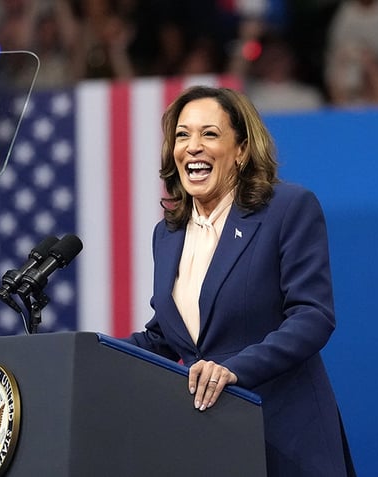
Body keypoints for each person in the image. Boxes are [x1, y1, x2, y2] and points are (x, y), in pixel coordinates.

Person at [125, 86, 355, 477]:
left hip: (286, 437)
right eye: (182, 135)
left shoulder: (287, 209)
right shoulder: (167, 234)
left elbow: (313, 316)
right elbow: (166, 336)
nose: (193, 147)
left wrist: (233, 369)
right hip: (213, 441)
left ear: (242, 150)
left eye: (209, 134)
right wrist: (88, 351)